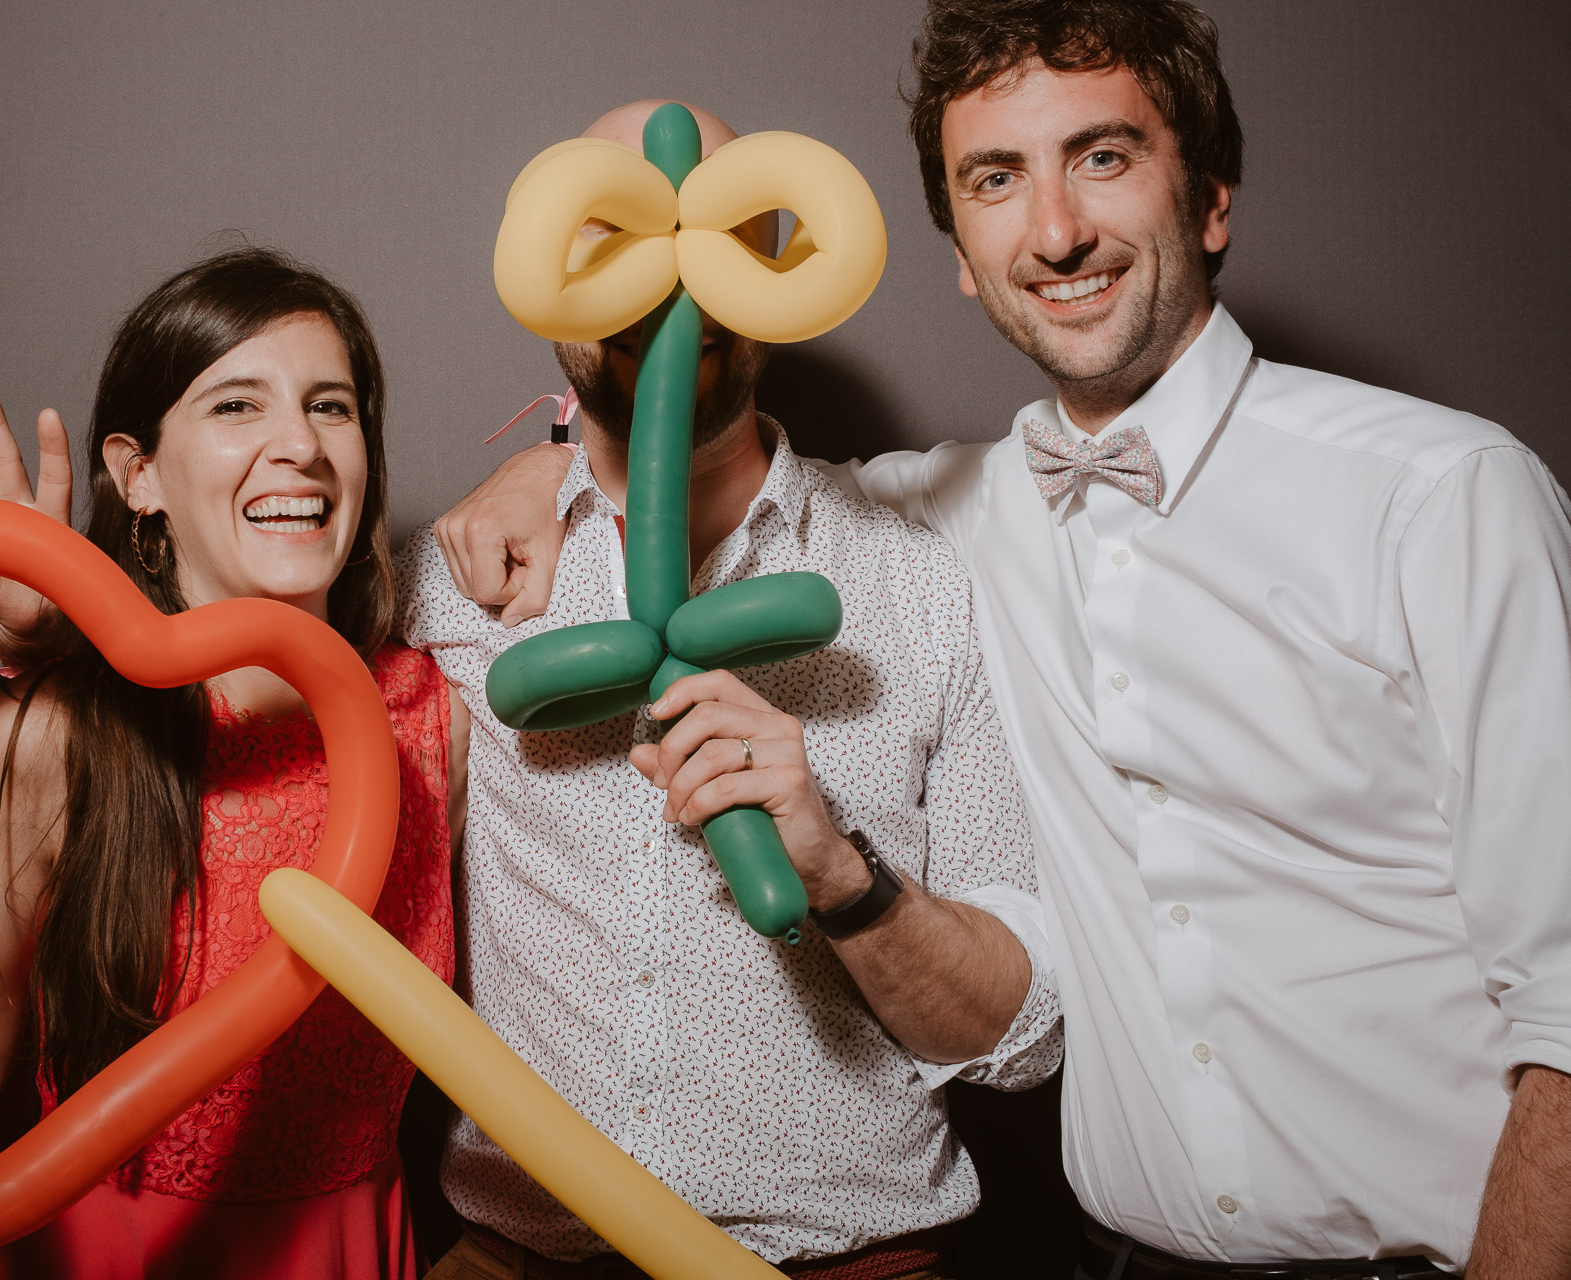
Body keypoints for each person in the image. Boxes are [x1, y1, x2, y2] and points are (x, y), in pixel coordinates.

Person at [435, 4, 1571, 1277]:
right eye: (996, 178)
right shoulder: (948, 508)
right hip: (1111, 1250)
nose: (1055, 228)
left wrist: (842, 868)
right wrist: (546, 466)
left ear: (1207, 199)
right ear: (963, 255)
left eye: (1102, 155)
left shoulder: (1436, 495)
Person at [408, 100, 1061, 1280]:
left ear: (772, 263)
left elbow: (1021, 1039)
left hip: (846, 1262)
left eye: (711, 231)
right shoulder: (457, 577)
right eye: (613, 238)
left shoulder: (913, 584)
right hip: (521, 1259)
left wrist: (840, 872)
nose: (668, 281)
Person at [0, 246, 467, 1280]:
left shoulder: (436, 716)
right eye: (237, 406)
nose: (299, 443)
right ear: (137, 473)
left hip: (350, 1250)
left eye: (331, 407)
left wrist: (544, 461)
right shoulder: (46, 738)